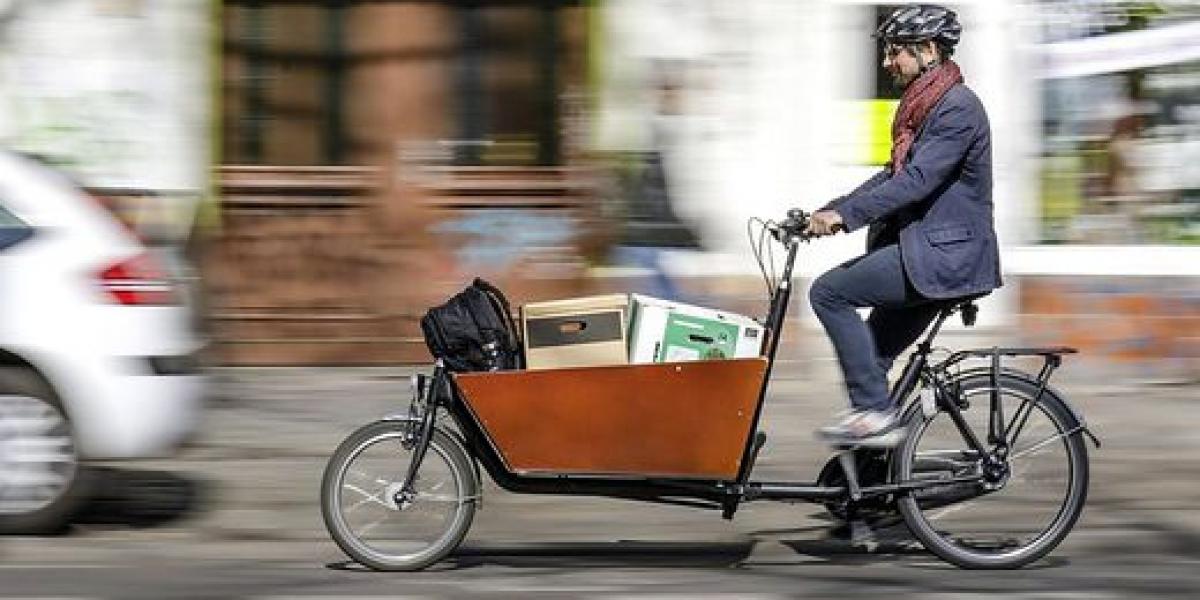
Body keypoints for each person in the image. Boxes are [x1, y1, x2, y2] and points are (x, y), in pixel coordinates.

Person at [805, 4, 1002, 446]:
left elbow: (916, 181)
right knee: (870, 360)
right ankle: (871, 498)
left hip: (943, 257)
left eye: (895, 51)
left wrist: (846, 218)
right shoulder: (925, 106)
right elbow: (892, 175)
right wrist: (829, 210)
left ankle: (875, 416)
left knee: (829, 293)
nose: (887, 62)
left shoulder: (958, 108)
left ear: (928, 50)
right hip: (926, 254)